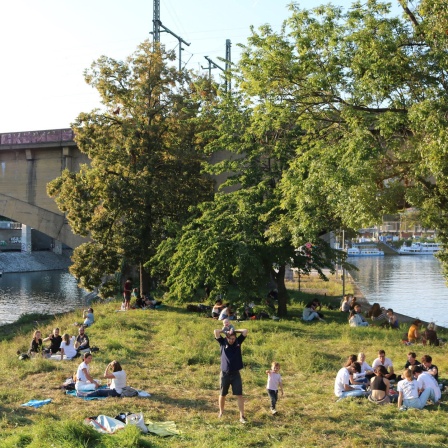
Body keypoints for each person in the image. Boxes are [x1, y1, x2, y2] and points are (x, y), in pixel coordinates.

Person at [214, 327, 249, 424]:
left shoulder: (238, 342)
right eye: (230, 338)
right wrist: (225, 331)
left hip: (235, 374)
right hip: (224, 373)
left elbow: (245, 331)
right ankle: (221, 412)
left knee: (239, 395)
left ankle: (242, 416)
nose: (232, 340)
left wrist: (234, 331)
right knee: (222, 394)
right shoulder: (222, 342)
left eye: (233, 339)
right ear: (226, 338)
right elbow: (216, 332)